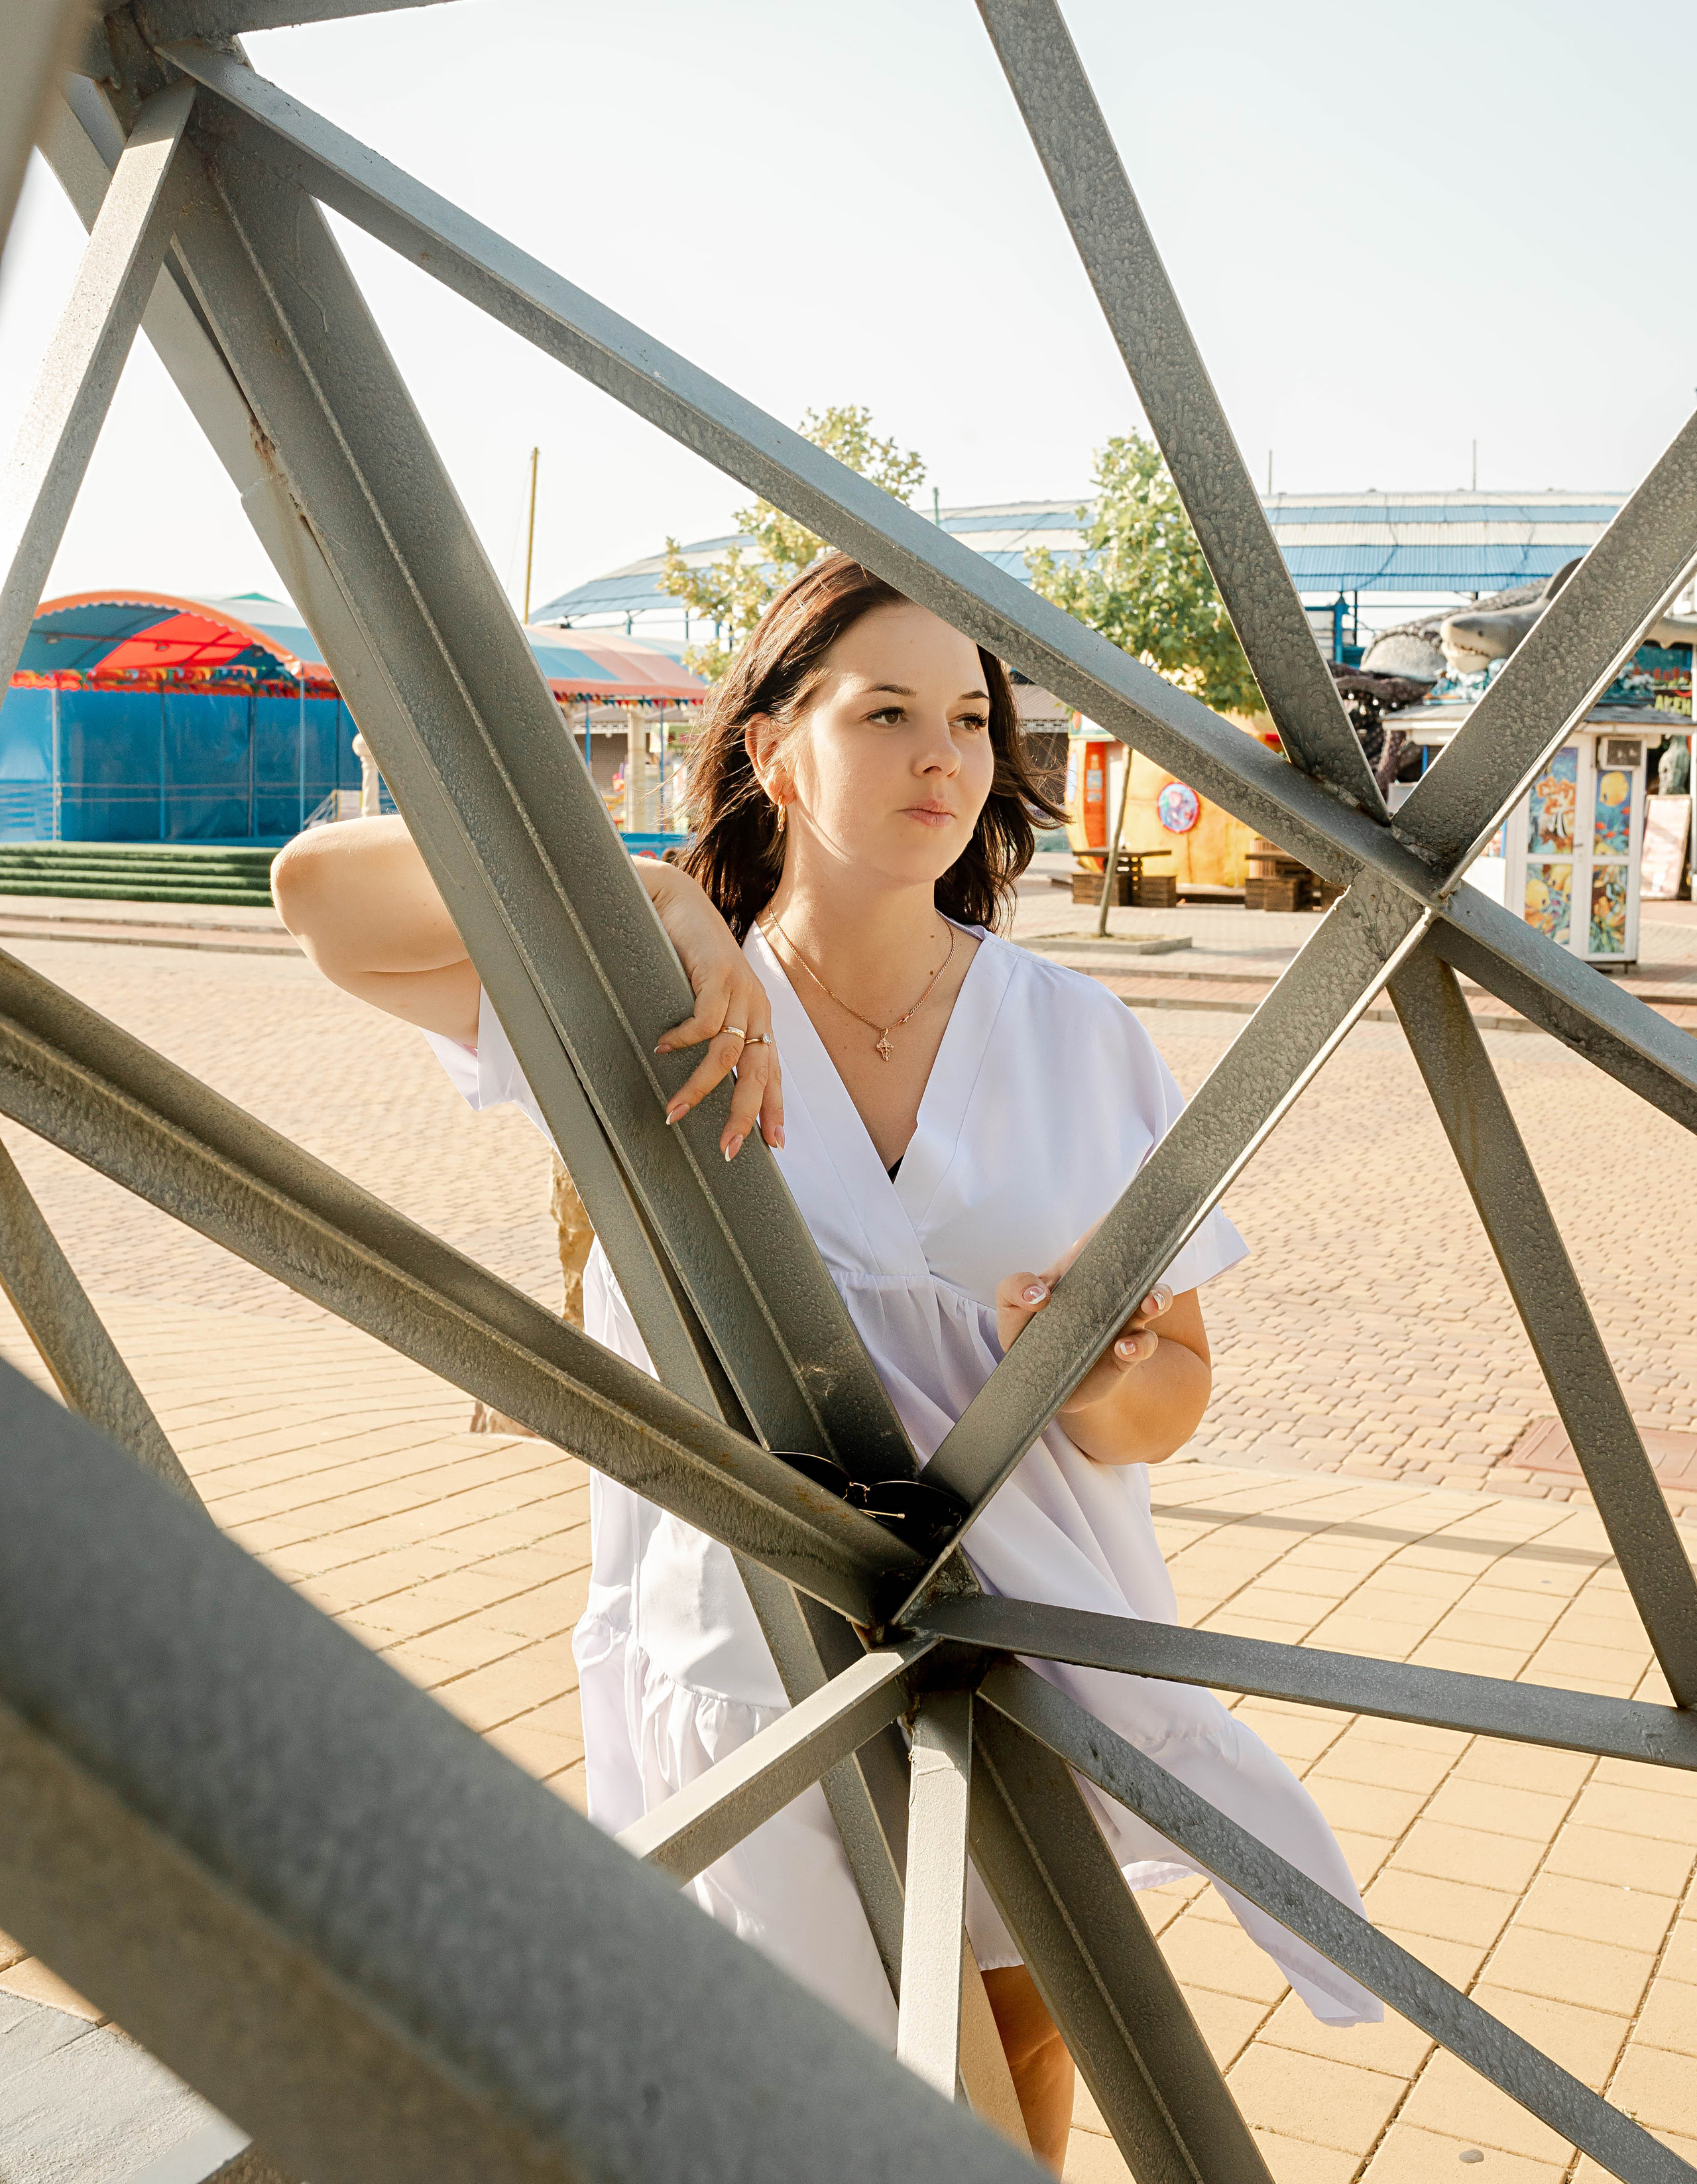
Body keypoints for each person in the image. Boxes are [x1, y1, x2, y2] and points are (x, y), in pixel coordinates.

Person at [273, 554, 1377, 2167]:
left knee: (1015, 2074)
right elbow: (316, 897)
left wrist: (1097, 1371)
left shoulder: (1077, 1037)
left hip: (1031, 1660)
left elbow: (1168, 1404)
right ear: (773, 749)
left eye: (971, 720)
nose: (943, 757)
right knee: (806, 2116)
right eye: (884, 714)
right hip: (750, 1672)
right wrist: (644, 893)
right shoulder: (647, 987)